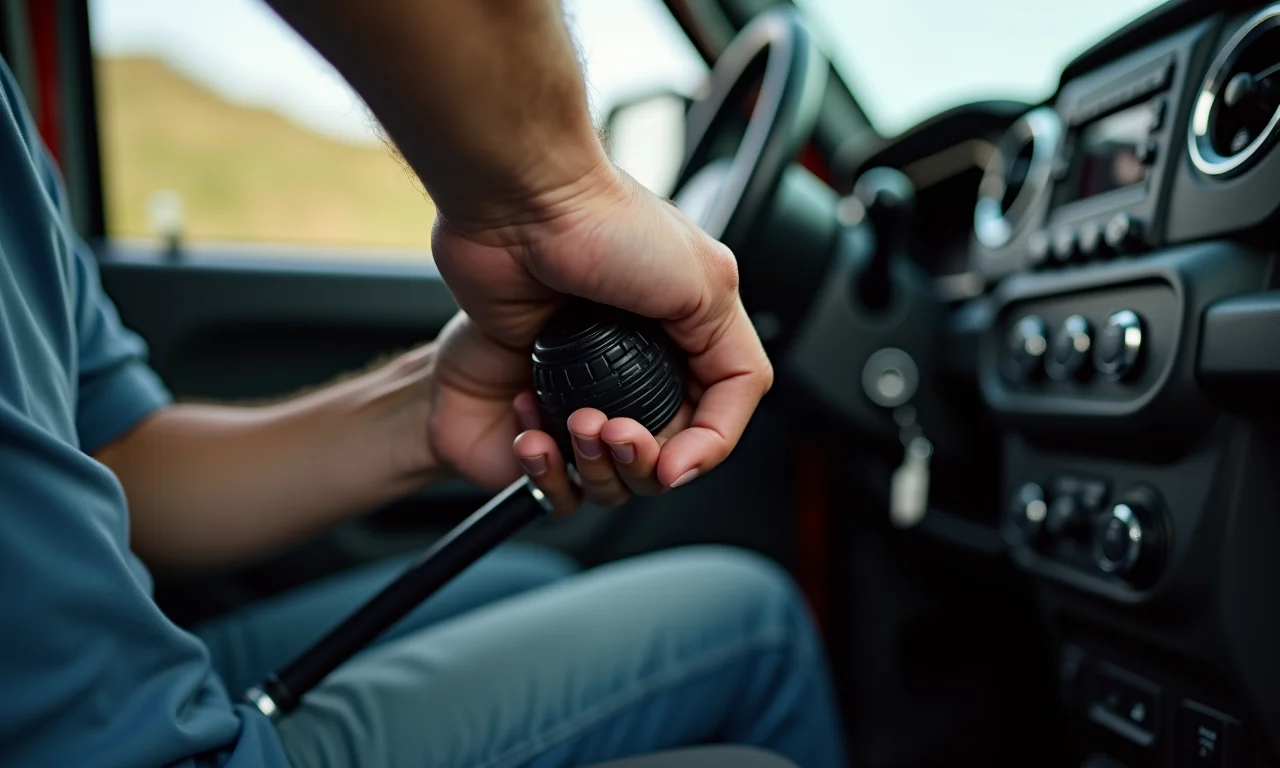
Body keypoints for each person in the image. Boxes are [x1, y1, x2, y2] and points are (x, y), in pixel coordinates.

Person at [0, 1, 848, 767]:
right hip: (100, 740)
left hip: (96, 673)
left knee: (524, 585)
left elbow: (115, 465)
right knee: (756, 623)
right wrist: (558, 196)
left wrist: (434, 408)